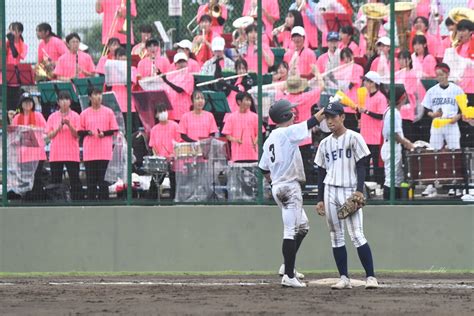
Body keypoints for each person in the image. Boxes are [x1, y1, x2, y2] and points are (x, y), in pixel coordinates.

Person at [259, 99, 323, 288]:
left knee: (303, 227)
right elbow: (311, 123)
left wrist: (273, 182)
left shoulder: (270, 138)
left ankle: (287, 266)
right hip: (289, 186)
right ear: (285, 115)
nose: (294, 114)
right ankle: (288, 275)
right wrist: (325, 110)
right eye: (291, 112)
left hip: (279, 186)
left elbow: (262, 167)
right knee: (290, 231)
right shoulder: (286, 132)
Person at [314, 101, 379, 290]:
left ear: (342, 117)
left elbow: (361, 165)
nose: (330, 121)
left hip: (350, 189)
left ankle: (371, 277)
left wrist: (359, 190)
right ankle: (343, 277)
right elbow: (320, 172)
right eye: (327, 117)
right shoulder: (325, 143)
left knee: (357, 234)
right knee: (336, 235)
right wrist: (319, 199)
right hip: (330, 190)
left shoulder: (354, 137)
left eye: (333, 116)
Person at [421, 63, 463, 197]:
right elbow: (426, 110)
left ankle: (454, 185)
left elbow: (463, 109)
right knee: (433, 152)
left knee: (454, 152)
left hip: (451, 122)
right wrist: (433, 115)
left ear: (447, 74)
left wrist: (458, 116)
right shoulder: (432, 91)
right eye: (437, 74)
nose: (438, 77)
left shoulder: (456, 89)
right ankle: (431, 184)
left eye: (441, 74)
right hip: (437, 123)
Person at [79, 88, 119, 200]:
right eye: (95, 95)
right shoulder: (84, 113)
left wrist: (104, 133)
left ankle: (104, 205)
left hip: (104, 152)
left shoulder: (109, 112)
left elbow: (114, 129)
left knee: (103, 182)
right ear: (90, 97)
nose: (98, 97)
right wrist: (88, 132)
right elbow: (79, 131)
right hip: (90, 153)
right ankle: (91, 204)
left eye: (100, 95)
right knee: (91, 182)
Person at [46, 90, 83, 200]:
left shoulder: (76, 116)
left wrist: (69, 124)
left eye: (66, 99)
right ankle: (57, 201)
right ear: (58, 102)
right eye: (61, 99)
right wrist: (59, 127)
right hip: (56, 154)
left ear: (70, 102)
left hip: (71, 153)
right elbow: (50, 135)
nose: (64, 102)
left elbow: (77, 135)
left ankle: (77, 201)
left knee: (74, 179)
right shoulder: (52, 117)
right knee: (55, 180)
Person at [11, 93, 47, 201]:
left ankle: (38, 200)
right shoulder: (17, 117)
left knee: (37, 179)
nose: (28, 104)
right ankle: (27, 200)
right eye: (25, 102)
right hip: (23, 155)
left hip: (37, 154)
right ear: (21, 104)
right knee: (24, 179)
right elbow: (13, 135)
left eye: (30, 102)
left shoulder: (38, 116)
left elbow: (45, 131)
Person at [380, 88, 414, 200]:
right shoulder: (394, 113)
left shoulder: (391, 111)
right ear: (402, 98)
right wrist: (406, 143)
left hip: (392, 145)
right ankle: (390, 203)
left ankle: (395, 202)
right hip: (392, 146)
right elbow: (393, 133)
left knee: (397, 178)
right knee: (392, 178)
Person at [357, 71, 387, 186]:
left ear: (373, 83)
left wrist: (366, 111)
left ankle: (379, 184)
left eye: (366, 81)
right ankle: (365, 185)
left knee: (376, 163)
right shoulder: (365, 96)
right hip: (365, 135)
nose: (364, 83)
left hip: (375, 136)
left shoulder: (381, 98)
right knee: (364, 162)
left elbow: (381, 116)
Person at [148, 104, 181, 200]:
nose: (162, 113)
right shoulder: (154, 129)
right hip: (160, 160)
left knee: (173, 180)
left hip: (173, 158)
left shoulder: (175, 126)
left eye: (164, 110)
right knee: (155, 181)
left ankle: (174, 199)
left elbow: (179, 143)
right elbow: (153, 146)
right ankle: (151, 201)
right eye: (160, 111)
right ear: (156, 115)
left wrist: (173, 154)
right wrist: (157, 156)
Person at [222, 92, 260, 162]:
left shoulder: (255, 117)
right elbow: (227, 135)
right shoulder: (231, 117)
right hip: (237, 155)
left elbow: (259, 133)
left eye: (250, 100)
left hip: (253, 154)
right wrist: (236, 140)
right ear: (239, 102)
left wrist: (255, 141)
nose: (249, 103)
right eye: (247, 100)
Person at [162, 52, 195, 122]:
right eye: (179, 62)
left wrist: (166, 81)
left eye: (183, 62)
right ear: (175, 64)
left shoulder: (189, 76)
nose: (182, 64)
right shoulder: (170, 76)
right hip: (171, 111)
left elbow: (179, 90)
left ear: (187, 63)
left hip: (183, 110)